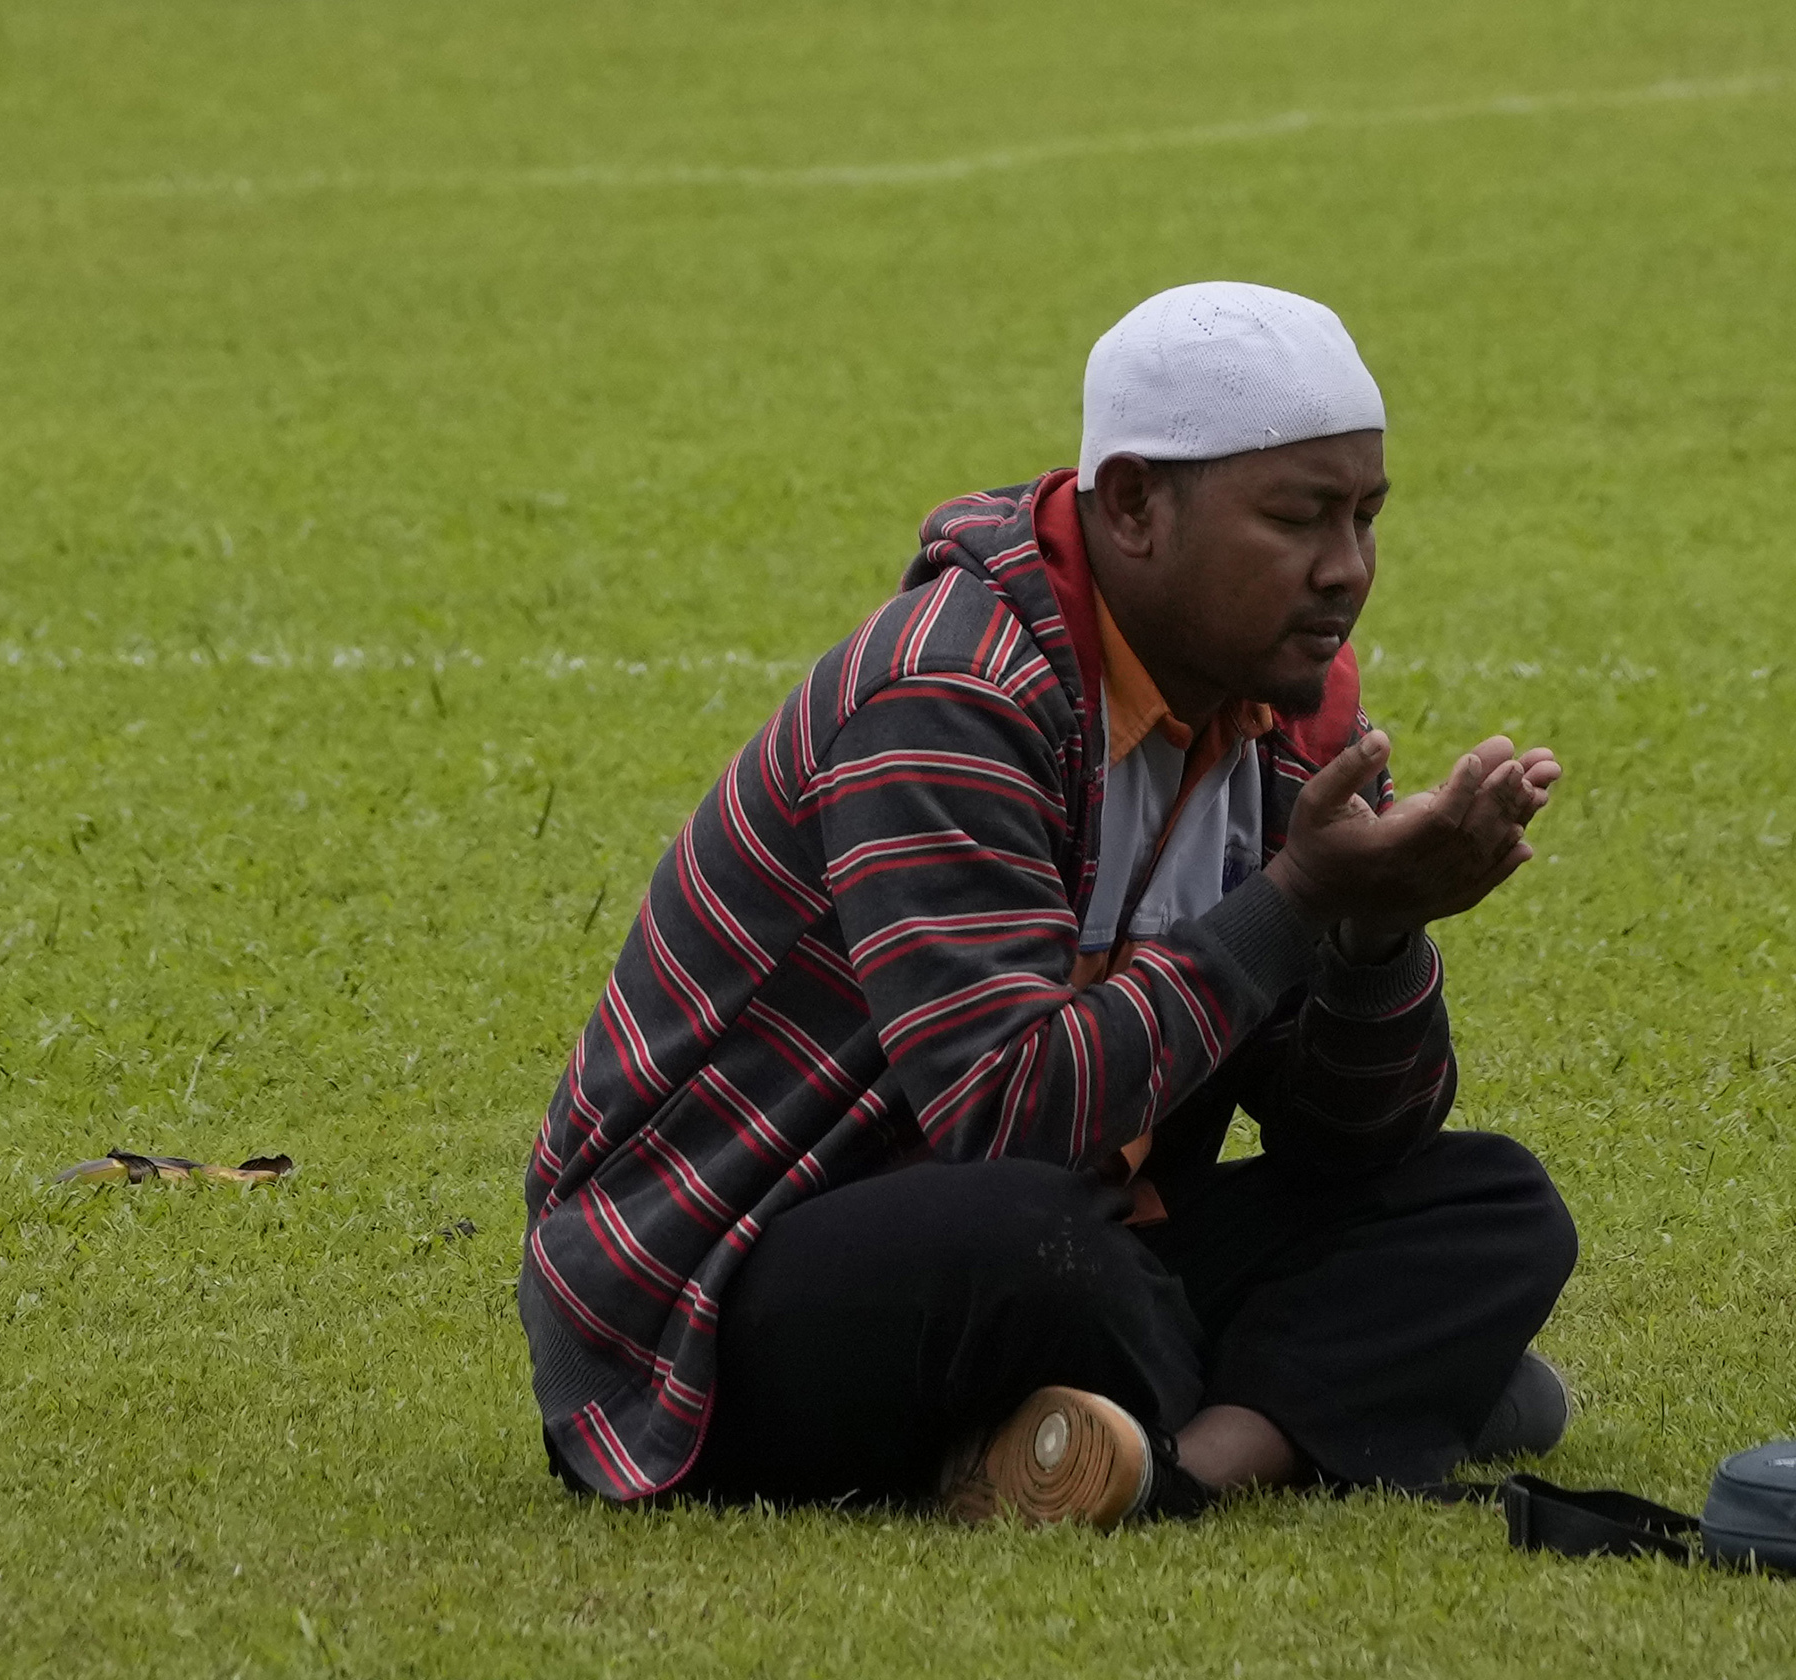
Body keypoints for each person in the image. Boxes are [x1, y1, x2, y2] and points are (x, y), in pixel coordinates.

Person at [517, 280, 1575, 1522]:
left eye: (1366, 516)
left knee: (1490, 1207)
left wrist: (1375, 931)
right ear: (1131, 503)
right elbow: (1007, 1118)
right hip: (729, 1277)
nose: (1346, 570)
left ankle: (1158, 1464)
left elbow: (1352, 1148)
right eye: (1299, 518)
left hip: (1081, 1227)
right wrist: (1292, 901)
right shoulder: (950, 690)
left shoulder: (1288, 714)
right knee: (1033, 1247)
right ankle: (1326, 1393)